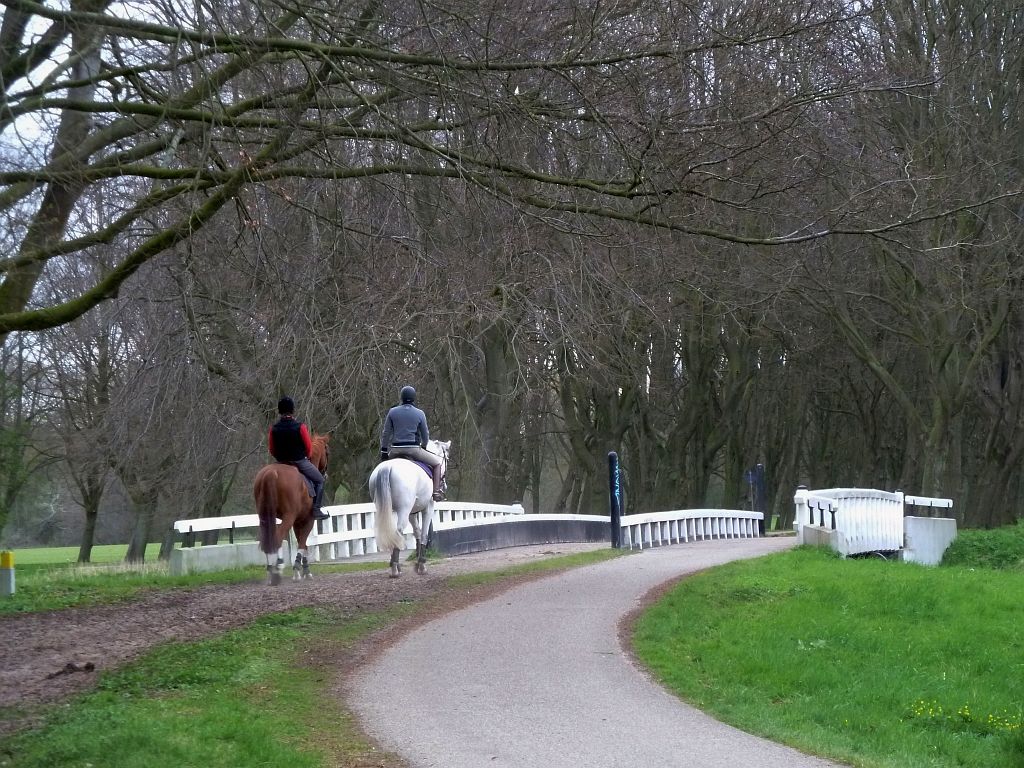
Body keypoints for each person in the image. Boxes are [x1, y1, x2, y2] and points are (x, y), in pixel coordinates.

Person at [380, 385, 445, 501]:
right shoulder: (420, 413)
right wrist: (424, 446)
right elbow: (425, 435)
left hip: (395, 450)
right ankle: (436, 492)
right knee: (437, 464)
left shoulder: (392, 412)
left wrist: (384, 451)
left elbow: (386, 433)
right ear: (413, 398)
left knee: (381, 468)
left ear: (402, 398)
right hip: (413, 450)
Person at [268, 396, 328, 520]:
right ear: (292, 410)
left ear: (279, 411)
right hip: (299, 461)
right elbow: (308, 447)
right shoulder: (300, 427)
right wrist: (306, 456)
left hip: (280, 462)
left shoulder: (273, 429)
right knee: (320, 480)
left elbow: (272, 449)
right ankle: (316, 509)